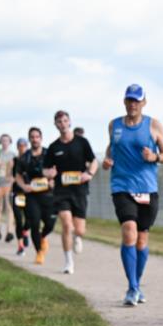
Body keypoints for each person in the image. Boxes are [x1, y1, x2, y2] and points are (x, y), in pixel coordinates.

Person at [102, 84, 163, 306]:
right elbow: (110, 149)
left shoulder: (153, 125)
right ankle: (132, 288)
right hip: (121, 186)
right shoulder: (114, 125)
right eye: (129, 100)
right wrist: (107, 161)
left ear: (144, 102)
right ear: (124, 101)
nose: (133, 104)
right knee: (129, 231)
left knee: (142, 240)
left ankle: (137, 284)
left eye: (137, 100)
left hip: (147, 188)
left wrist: (155, 157)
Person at [43, 111, 98, 274]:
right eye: (59, 121)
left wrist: (89, 174)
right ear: (56, 125)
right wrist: (49, 174)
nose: (62, 124)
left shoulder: (82, 142)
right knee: (66, 224)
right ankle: (68, 262)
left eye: (65, 121)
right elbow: (45, 169)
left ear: (70, 122)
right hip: (62, 191)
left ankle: (78, 236)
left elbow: (93, 161)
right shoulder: (54, 147)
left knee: (79, 229)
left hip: (80, 190)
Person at [16, 127, 56, 264]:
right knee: (34, 223)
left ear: (41, 138)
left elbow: (55, 170)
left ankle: (43, 236)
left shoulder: (48, 154)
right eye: (32, 137)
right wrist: (23, 186)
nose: (35, 139)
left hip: (48, 195)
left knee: (50, 224)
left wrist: (52, 180)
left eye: (37, 136)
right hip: (32, 196)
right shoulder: (24, 157)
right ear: (29, 139)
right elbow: (18, 176)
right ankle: (39, 252)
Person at [0, 134, 18, 242]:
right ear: (0, 142)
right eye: (3, 140)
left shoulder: (13, 155)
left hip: (8, 185)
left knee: (9, 207)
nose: (5, 142)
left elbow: (17, 170)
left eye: (7, 140)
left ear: (10, 142)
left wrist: (13, 178)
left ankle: (9, 231)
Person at [11, 137, 30, 255]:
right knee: (18, 219)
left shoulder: (30, 159)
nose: (22, 147)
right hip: (17, 193)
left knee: (30, 218)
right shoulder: (14, 161)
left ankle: (26, 230)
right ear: (17, 147)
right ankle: (20, 246)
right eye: (20, 145)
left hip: (30, 194)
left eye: (24, 145)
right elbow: (10, 175)